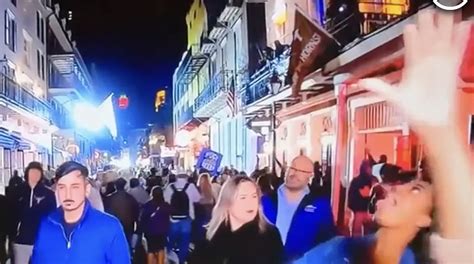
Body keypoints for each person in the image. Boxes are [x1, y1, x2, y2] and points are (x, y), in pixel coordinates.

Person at [356, 10, 472, 263]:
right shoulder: (337, 251)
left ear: (428, 219)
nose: (397, 188)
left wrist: (440, 133)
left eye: (417, 190)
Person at [31, 161, 130, 263]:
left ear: (86, 190)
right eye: (62, 187)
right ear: (56, 190)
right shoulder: (45, 224)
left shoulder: (109, 227)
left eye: (75, 187)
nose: (68, 195)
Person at [190, 176, 284, 264]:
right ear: (227, 202)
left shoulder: (270, 236)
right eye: (243, 198)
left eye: (254, 196)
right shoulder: (209, 236)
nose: (250, 202)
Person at [261, 154, 336, 262]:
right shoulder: (265, 201)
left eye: (301, 171)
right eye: (292, 168)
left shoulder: (319, 205)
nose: (294, 173)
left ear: (310, 176)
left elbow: (328, 241)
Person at [13, 162, 56, 264]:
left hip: (41, 240)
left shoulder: (48, 194)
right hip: (21, 241)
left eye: (37, 172)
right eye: (32, 172)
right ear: (27, 173)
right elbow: (11, 215)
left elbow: (53, 216)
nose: (34, 175)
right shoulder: (18, 191)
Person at [163, 173, 201, 264]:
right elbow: (197, 199)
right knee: (184, 242)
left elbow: (165, 200)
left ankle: (167, 258)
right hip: (186, 218)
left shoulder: (170, 187)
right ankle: (181, 261)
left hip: (173, 218)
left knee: (170, 240)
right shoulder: (190, 186)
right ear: (186, 178)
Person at [104, 178, 140, 248]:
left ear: (115, 186)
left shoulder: (109, 199)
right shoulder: (130, 198)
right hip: (128, 226)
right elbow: (136, 213)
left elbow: (106, 213)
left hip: (114, 226)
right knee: (127, 245)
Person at [139, 186, 170, 264]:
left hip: (150, 231)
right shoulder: (165, 205)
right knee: (160, 248)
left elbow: (143, 218)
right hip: (162, 231)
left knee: (151, 250)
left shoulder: (147, 205)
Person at [348, 160, 379, 236]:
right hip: (362, 210)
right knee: (361, 234)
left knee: (359, 234)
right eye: (369, 168)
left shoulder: (370, 181)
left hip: (364, 210)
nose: (370, 170)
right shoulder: (371, 181)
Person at [193, 173, 215, 243]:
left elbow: (194, 200)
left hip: (199, 214)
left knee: (199, 233)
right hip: (209, 213)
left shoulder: (197, 190)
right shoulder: (213, 189)